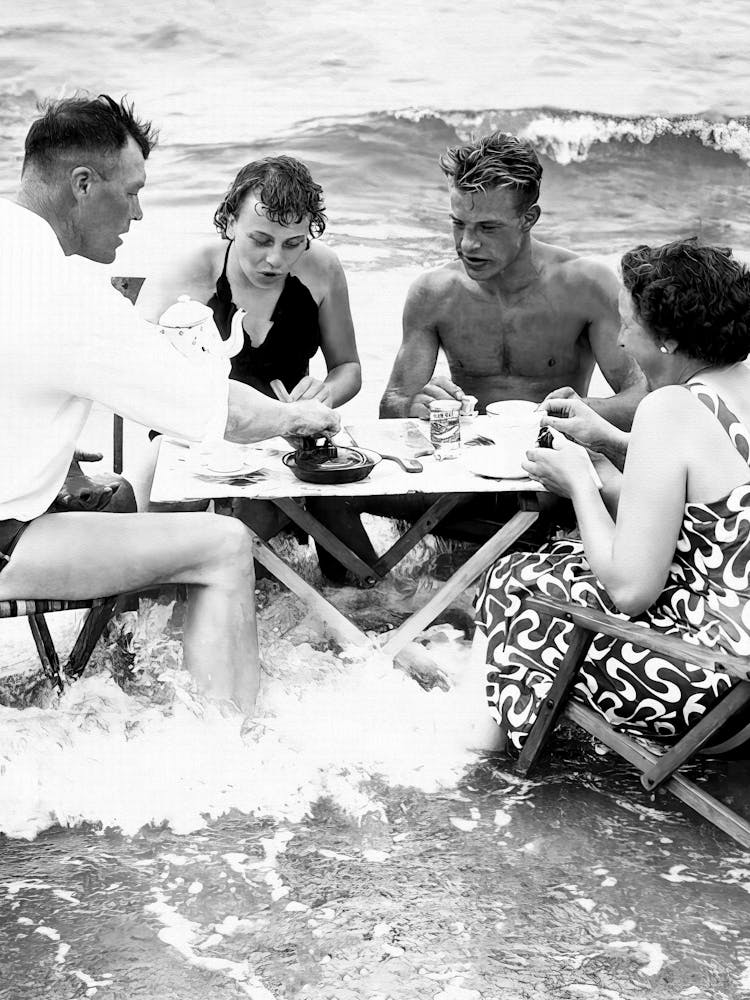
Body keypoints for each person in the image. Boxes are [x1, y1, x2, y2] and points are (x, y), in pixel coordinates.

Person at [0, 94, 339, 713]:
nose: (137, 212)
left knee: (127, 493)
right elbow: (221, 413)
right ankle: (223, 743)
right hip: (7, 544)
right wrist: (296, 416)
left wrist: (61, 463)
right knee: (224, 544)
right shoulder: (66, 293)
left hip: (23, 511)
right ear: (82, 185)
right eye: (131, 192)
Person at [474, 238, 750, 755]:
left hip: (713, 690)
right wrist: (609, 446)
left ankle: (479, 749)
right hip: (741, 661)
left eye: (629, 324)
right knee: (559, 560)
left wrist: (580, 483)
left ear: (666, 338)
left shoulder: (670, 408)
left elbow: (631, 589)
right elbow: (713, 511)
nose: (621, 341)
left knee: (514, 581)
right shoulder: (735, 390)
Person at [135, 156, 361, 545]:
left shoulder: (322, 268)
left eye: (293, 244)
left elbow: (348, 367)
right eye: (260, 240)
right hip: (191, 438)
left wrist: (324, 394)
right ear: (229, 222)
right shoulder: (187, 271)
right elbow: (134, 374)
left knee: (342, 529)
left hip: (284, 438)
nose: (275, 259)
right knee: (154, 497)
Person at [380, 130, 646, 425]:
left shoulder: (587, 287)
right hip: (472, 455)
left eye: (488, 228)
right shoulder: (434, 293)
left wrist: (575, 412)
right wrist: (415, 406)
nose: (468, 244)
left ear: (528, 218)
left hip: (557, 450)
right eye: (458, 224)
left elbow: (641, 398)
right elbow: (393, 404)